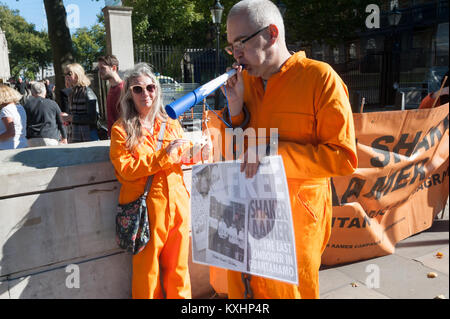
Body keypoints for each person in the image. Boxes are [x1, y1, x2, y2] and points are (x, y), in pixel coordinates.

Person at [217, 0, 358, 299]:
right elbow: (241, 151)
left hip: (297, 218)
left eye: (240, 42)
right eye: (231, 47)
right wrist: (236, 110)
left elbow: (343, 158)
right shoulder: (245, 83)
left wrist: (272, 153)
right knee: (243, 291)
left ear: (271, 33)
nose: (236, 54)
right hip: (246, 211)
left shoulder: (320, 78)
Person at [109, 63, 209, 299]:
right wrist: (164, 155)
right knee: (148, 272)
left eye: (151, 87)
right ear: (129, 94)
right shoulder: (121, 130)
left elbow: (182, 156)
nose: (146, 94)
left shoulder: (170, 122)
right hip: (146, 210)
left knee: (179, 269)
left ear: (157, 90)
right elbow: (125, 169)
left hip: (177, 205)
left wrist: (199, 153)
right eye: (138, 89)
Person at [61, 63, 99, 143]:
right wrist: (67, 117)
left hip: (88, 136)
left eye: (69, 74)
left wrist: (71, 118)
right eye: (65, 74)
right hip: (75, 135)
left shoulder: (87, 92)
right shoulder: (73, 93)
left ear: (77, 74)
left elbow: (93, 118)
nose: (66, 76)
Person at [23, 82, 67, 146]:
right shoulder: (53, 104)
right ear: (45, 92)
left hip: (31, 139)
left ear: (32, 93)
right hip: (50, 138)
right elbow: (60, 121)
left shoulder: (27, 105)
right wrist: (64, 137)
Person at [97, 55, 124, 136]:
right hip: (114, 136)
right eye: (99, 69)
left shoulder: (123, 89)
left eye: (103, 68)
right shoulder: (111, 88)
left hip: (123, 138)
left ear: (114, 68)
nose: (100, 71)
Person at [0, 85, 28, 150]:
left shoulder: (6, 110)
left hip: (7, 147)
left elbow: (11, 132)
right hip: (22, 144)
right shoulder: (20, 107)